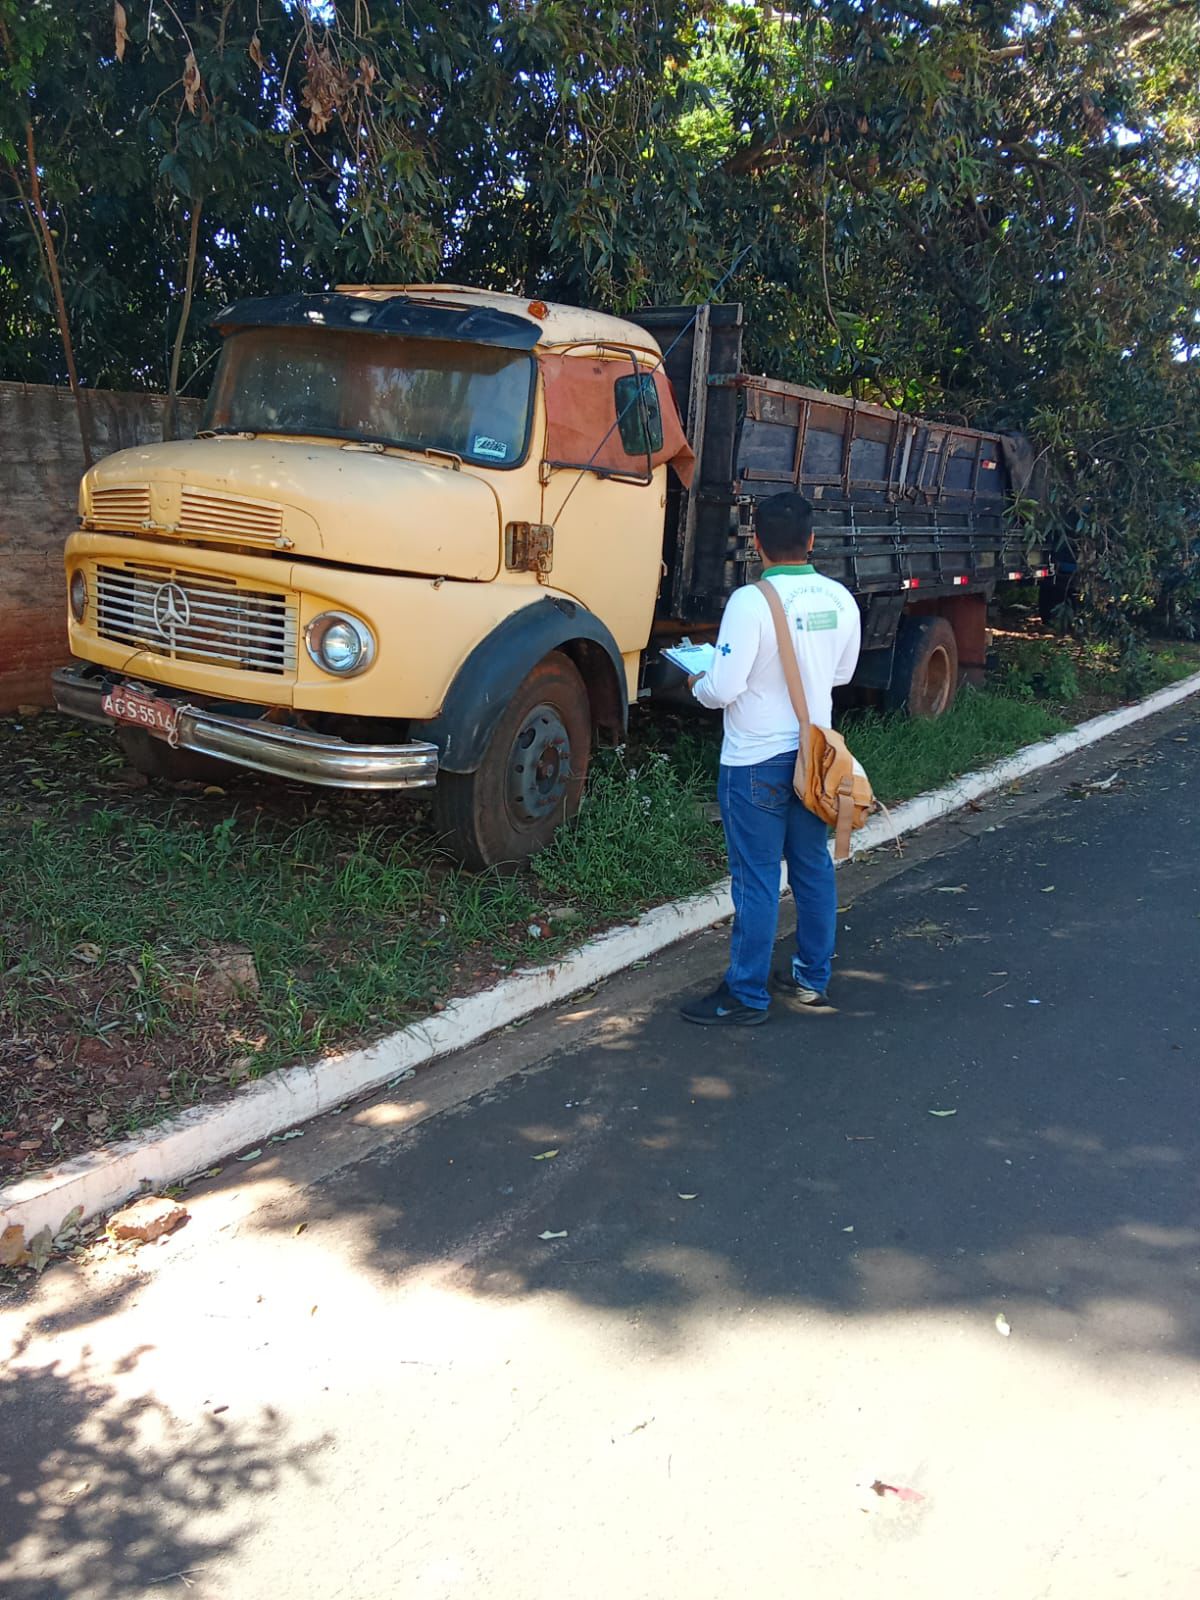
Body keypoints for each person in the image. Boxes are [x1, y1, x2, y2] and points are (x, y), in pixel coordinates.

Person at [680, 491, 861, 1025]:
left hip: (754, 762)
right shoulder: (840, 599)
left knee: (757, 879)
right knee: (812, 868)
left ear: (756, 543)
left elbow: (723, 688)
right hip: (813, 760)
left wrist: (697, 680)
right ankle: (810, 978)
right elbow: (842, 674)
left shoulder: (750, 602)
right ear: (811, 540)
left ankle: (746, 994)